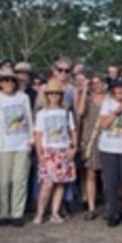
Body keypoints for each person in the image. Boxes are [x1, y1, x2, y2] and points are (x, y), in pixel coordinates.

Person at [0, 68, 35, 227]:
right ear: (0, 83)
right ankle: (4, 212)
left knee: (19, 180)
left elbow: (29, 119)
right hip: (1, 145)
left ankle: (17, 213)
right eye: (5, 80)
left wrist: (31, 140)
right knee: (3, 181)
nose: (8, 83)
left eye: (11, 80)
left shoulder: (23, 98)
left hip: (21, 143)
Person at [32, 79, 76, 225]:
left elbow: (72, 131)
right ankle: (40, 213)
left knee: (60, 183)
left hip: (63, 149)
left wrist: (73, 147)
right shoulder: (42, 114)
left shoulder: (66, 112)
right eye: (51, 93)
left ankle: (55, 212)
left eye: (57, 93)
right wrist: (39, 154)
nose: (54, 96)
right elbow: (38, 135)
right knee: (47, 184)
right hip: (48, 150)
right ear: (47, 95)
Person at [96, 79, 122, 227]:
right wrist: (119, 109)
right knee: (111, 183)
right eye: (117, 88)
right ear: (112, 90)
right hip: (108, 148)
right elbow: (104, 124)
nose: (120, 91)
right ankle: (113, 213)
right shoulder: (107, 103)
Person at [75, 74, 108, 220]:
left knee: (107, 176)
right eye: (94, 83)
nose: (97, 85)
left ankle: (110, 205)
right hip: (90, 139)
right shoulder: (88, 99)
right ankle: (91, 207)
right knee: (90, 174)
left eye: (99, 82)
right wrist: (84, 91)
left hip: (107, 138)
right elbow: (80, 112)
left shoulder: (109, 99)